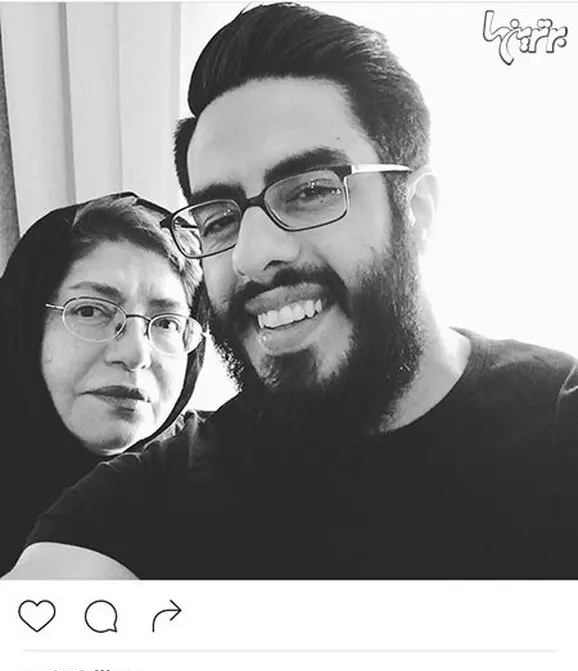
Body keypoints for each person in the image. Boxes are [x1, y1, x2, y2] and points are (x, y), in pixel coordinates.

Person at [5, 3, 578, 580]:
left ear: (417, 210)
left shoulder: (555, 422)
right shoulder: (154, 491)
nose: (252, 254)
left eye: (309, 192)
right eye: (219, 219)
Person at [0, 192, 205, 575]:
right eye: (91, 310)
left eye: (167, 323)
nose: (136, 354)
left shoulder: (229, 476)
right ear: (24, 327)